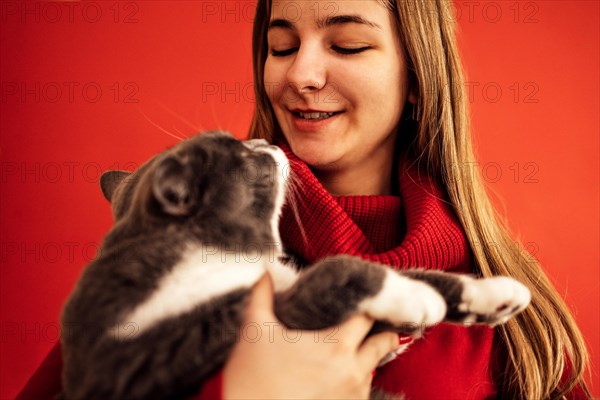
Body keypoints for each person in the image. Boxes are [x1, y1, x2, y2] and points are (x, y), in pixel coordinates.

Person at [17, 0, 591, 399]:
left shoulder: (507, 299)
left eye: (346, 44)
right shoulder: (182, 233)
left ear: (417, 76)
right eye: (281, 44)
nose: (301, 73)